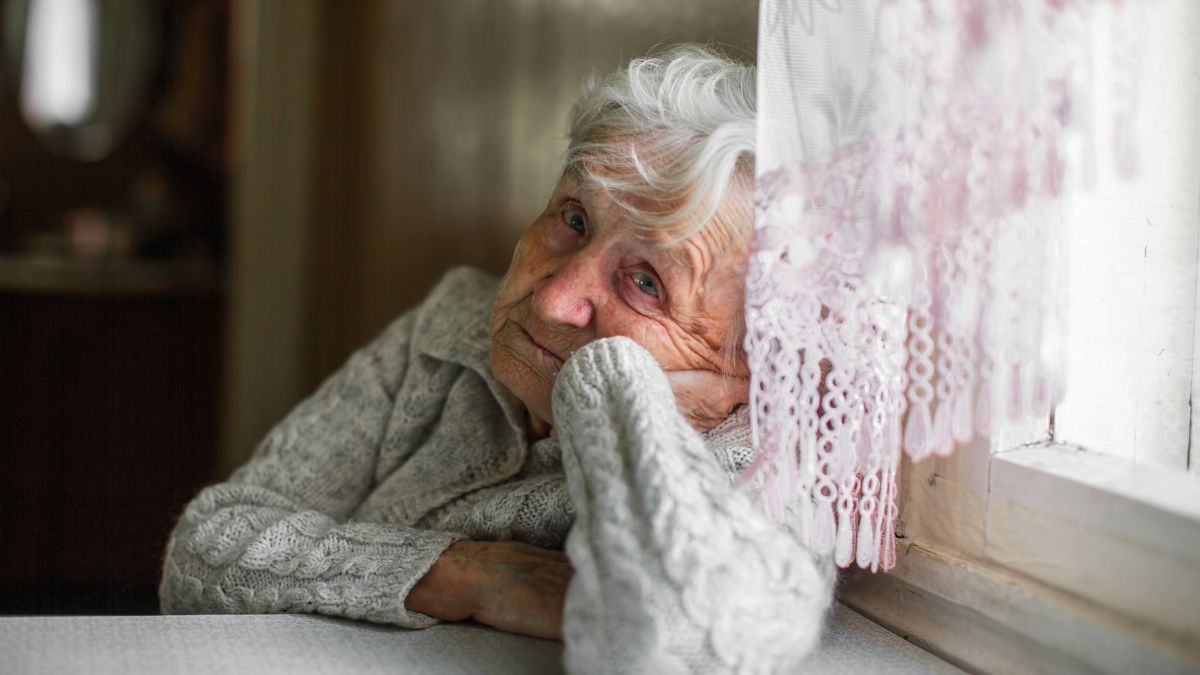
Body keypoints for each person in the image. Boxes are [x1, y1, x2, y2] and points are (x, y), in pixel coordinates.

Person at [160, 44, 834, 672]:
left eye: (648, 282)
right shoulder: (448, 328)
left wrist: (613, 386)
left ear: (752, 360)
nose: (553, 300)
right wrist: (468, 574)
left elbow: (692, 640)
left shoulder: (754, 458)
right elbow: (203, 551)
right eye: (573, 218)